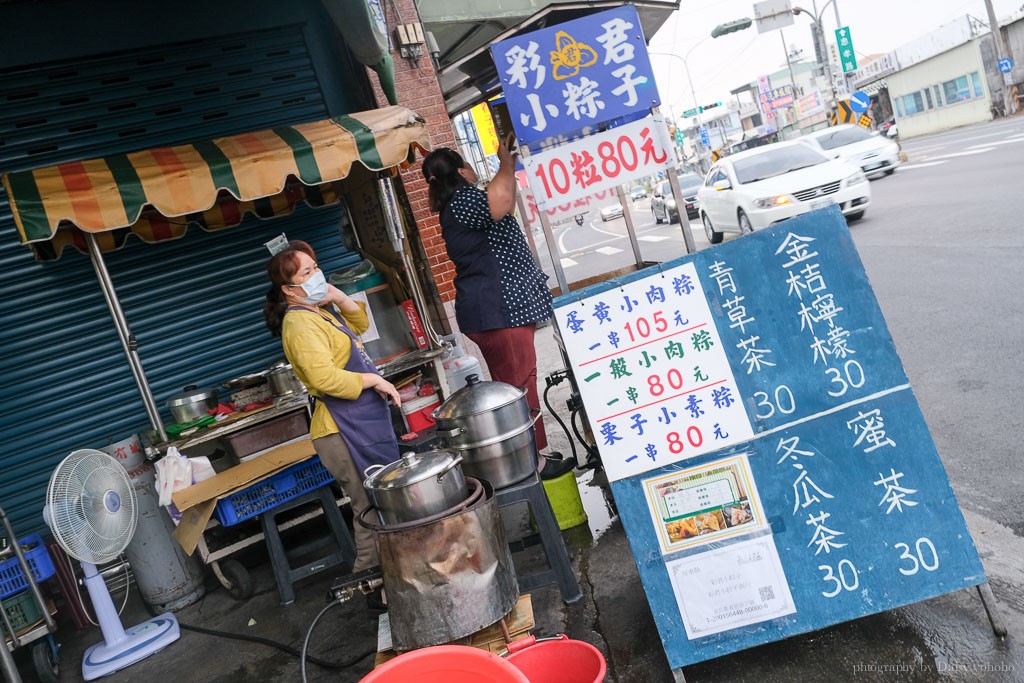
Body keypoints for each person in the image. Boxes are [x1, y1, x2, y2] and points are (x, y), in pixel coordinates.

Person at [264, 240, 401, 574]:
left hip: (359, 420)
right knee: (368, 507)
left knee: (386, 500)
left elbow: (359, 327)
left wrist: (339, 297)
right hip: (340, 431)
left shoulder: (318, 312)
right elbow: (323, 378)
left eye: (316, 267)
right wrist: (373, 381)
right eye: (308, 272)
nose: (317, 276)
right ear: (289, 288)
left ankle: (396, 575)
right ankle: (370, 582)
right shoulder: (297, 324)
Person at [421, 138, 559, 461]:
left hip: (501, 310)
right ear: (461, 171)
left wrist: (506, 167)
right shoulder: (463, 200)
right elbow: (498, 203)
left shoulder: (460, 203)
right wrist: (505, 162)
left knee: (521, 382)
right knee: (516, 388)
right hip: (499, 311)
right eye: (468, 164)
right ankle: (529, 462)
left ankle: (535, 456)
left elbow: (505, 200)